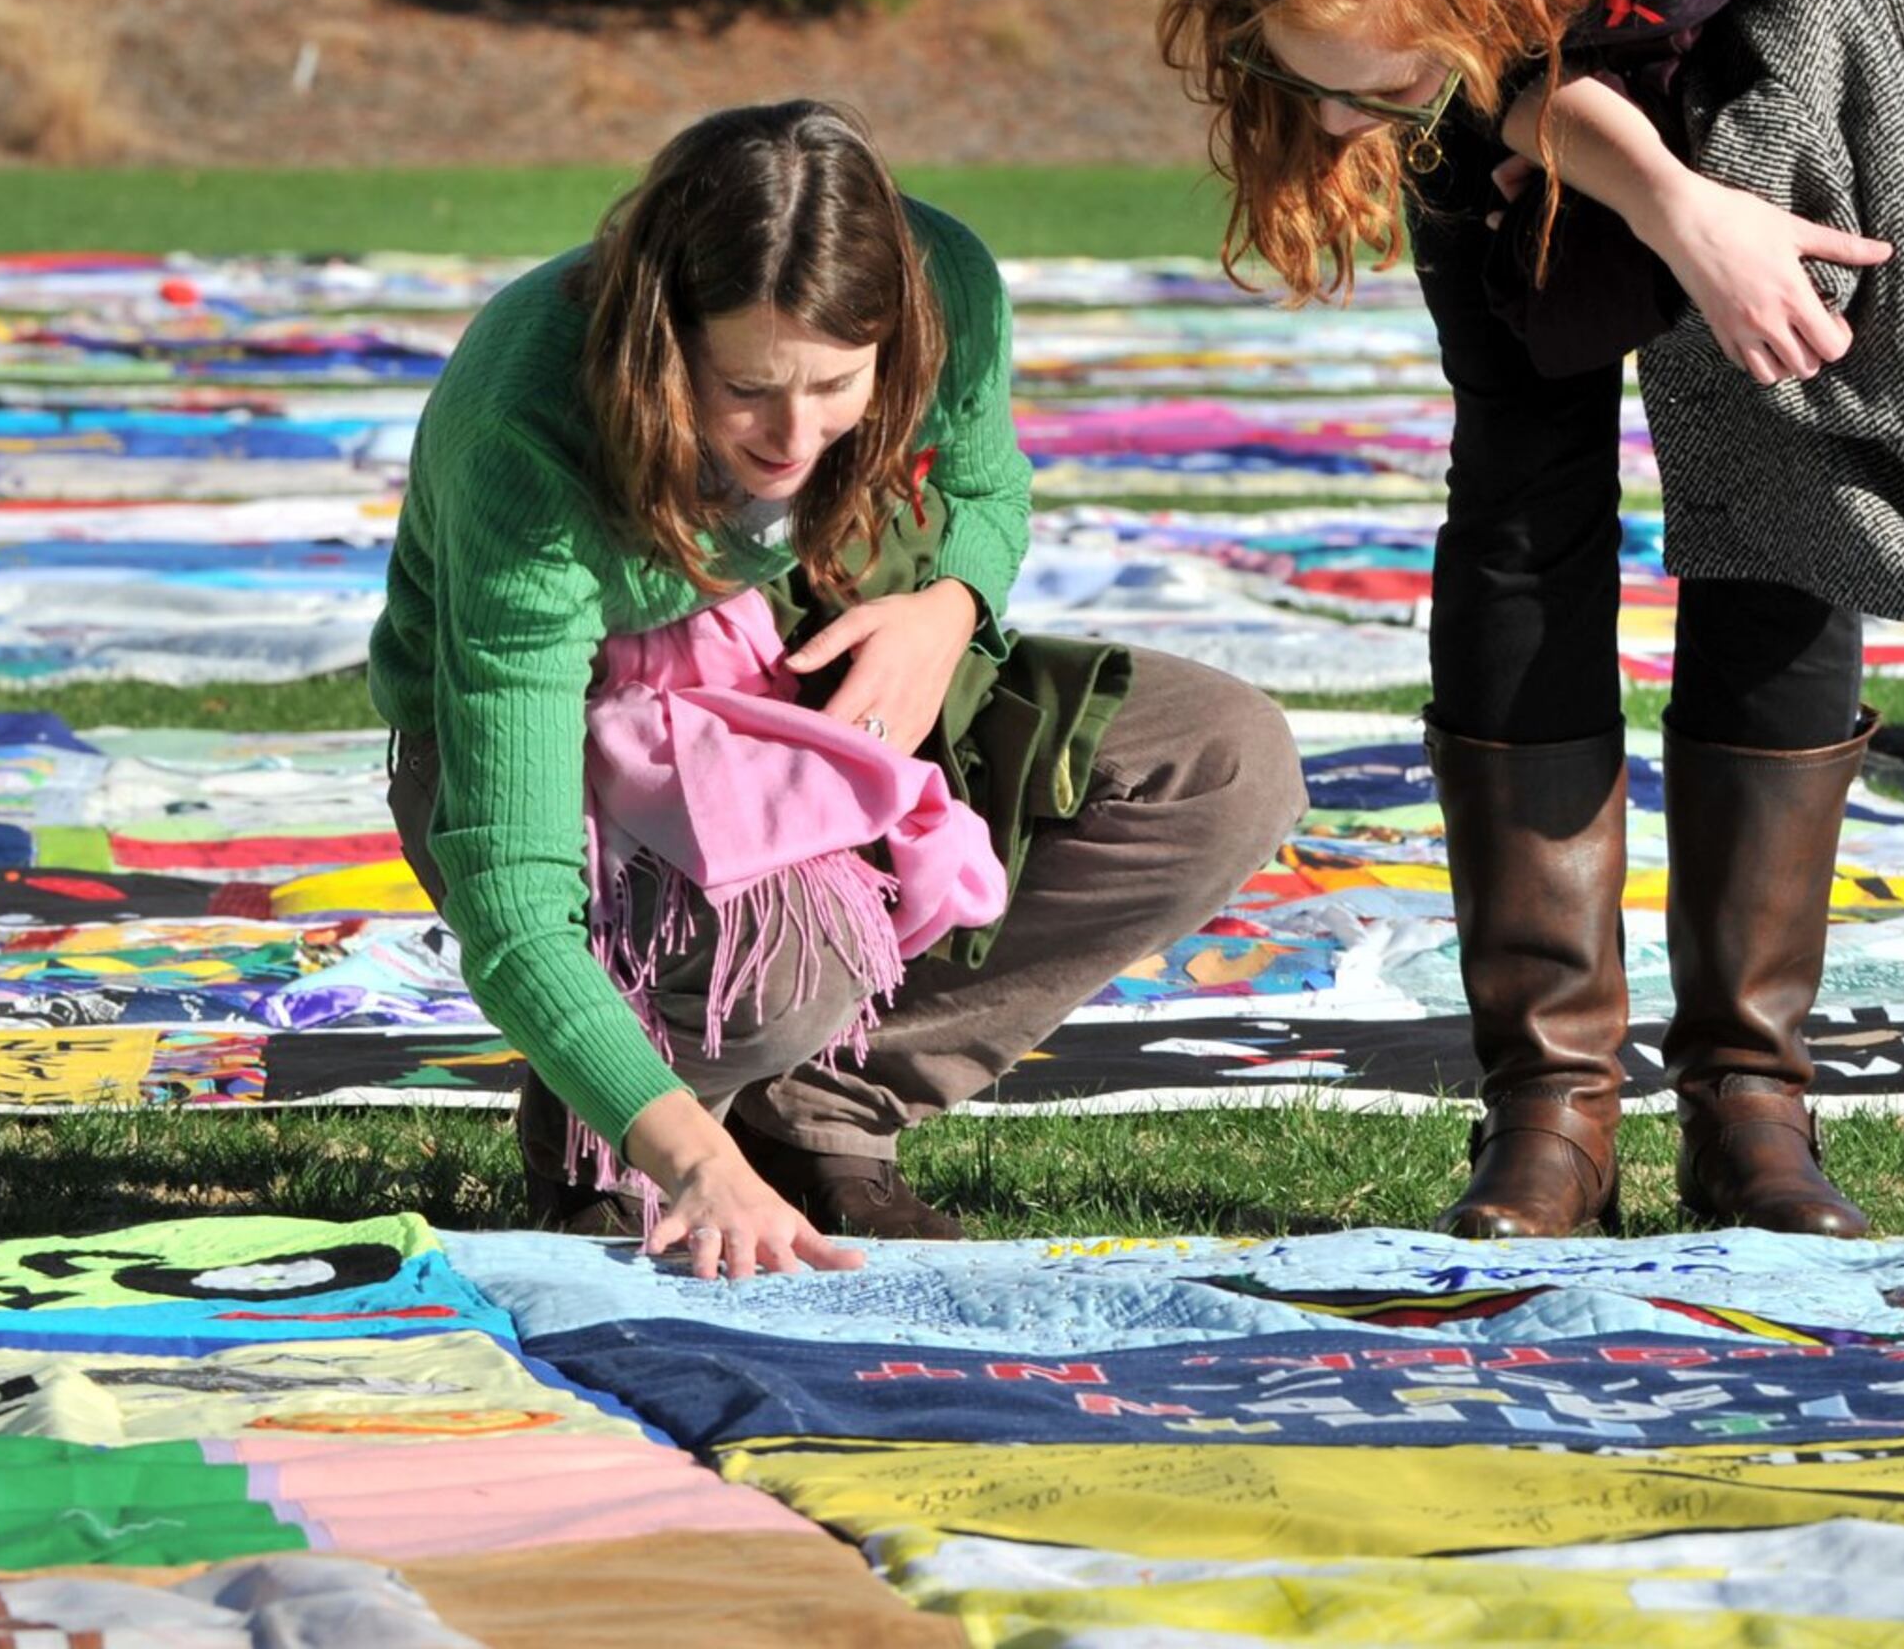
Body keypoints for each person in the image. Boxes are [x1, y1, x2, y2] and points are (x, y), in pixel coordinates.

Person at [1158, 0, 1904, 1244]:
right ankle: (1550, 1113)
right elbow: (1470, 88)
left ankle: (1753, 1106)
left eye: (1371, 94)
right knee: (1523, 495)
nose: (1333, 136)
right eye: (1315, 89)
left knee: (1776, 482)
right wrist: (1631, 188)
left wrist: (1716, 189)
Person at [372, 99, 1307, 1280]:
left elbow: (989, 495)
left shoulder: (949, 287)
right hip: (590, 732)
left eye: (837, 387)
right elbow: (513, 895)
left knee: (1222, 765)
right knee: (788, 960)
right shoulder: (530, 431)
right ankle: (627, 1131)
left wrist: (946, 613)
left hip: (823, 662)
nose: (793, 437)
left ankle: (819, 1109)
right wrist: (694, 1167)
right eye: (747, 389)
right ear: (667, 344)